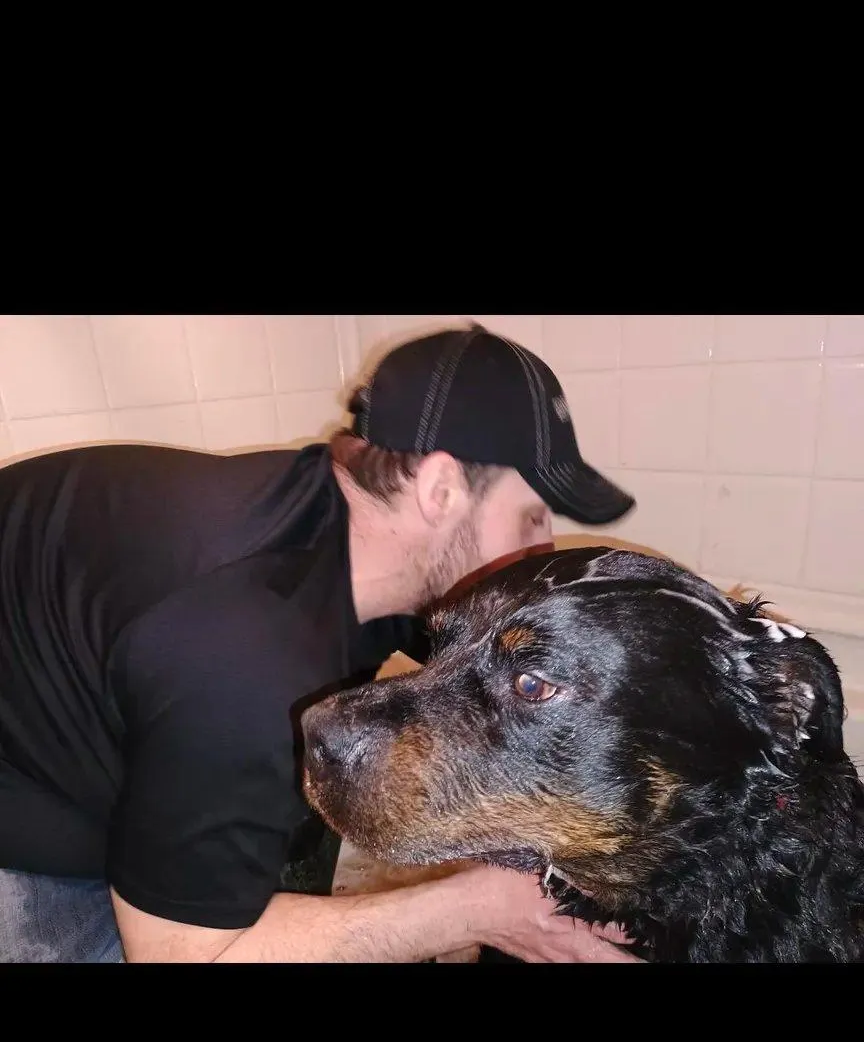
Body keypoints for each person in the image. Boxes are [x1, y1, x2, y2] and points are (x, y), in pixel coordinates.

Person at [0, 323, 636, 963]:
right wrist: (485, 910)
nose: (544, 548)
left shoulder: (351, 532)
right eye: (531, 517)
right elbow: (181, 954)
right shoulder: (246, 651)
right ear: (440, 490)